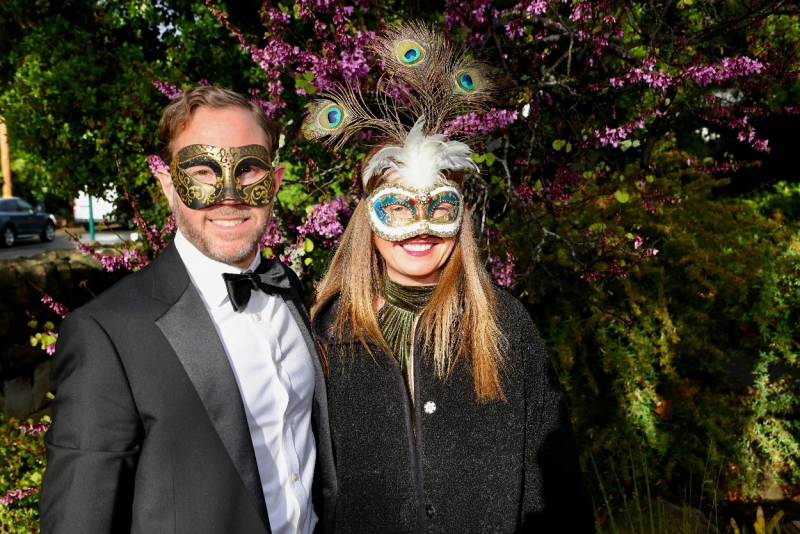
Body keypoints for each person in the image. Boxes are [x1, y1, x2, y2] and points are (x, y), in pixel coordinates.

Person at [304, 23, 595, 533]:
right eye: (397, 209)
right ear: (367, 221)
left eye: (438, 207)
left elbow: (555, 475)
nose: (419, 229)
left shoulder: (505, 324)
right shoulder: (326, 331)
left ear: (459, 217)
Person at [40, 85, 336, 534]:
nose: (229, 194)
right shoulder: (107, 333)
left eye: (250, 170)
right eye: (201, 171)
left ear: (274, 183)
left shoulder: (288, 292)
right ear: (167, 184)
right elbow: (81, 519)